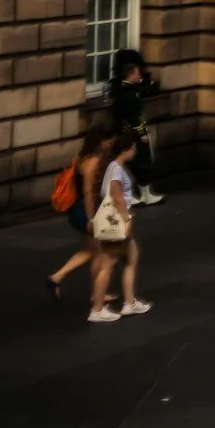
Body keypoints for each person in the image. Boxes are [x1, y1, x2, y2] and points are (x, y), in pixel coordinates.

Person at [85, 132, 150, 322]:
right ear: (126, 150)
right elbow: (116, 195)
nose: (135, 151)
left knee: (132, 256)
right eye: (133, 148)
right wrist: (126, 218)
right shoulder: (116, 169)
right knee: (108, 265)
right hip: (117, 222)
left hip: (116, 221)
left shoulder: (115, 167)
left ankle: (129, 302)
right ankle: (97, 310)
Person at [47, 129, 111, 300]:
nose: (110, 144)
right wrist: (92, 218)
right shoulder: (92, 162)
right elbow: (88, 192)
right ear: (100, 142)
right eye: (108, 140)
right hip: (83, 210)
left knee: (91, 250)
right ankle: (98, 294)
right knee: (98, 251)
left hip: (77, 209)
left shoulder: (83, 159)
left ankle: (57, 277)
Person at [107, 48, 164, 204]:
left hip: (127, 132)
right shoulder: (129, 93)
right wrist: (141, 133)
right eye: (137, 73)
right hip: (132, 133)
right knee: (139, 163)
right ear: (130, 74)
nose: (139, 76)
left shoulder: (126, 90)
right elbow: (134, 116)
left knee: (137, 165)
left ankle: (143, 193)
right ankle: (137, 194)